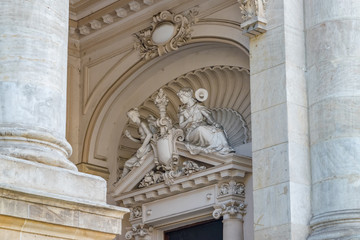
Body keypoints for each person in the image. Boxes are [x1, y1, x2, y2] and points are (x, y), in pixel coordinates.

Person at [177, 88, 234, 155]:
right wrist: (187, 121)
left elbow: (208, 116)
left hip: (203, 126)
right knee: (200, 129)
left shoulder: (199, 106)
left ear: (188, 96)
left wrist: (215, 124)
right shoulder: (183, 111)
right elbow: (181, 126)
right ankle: (214, 147)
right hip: (191, 133)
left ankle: (225, 148)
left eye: (182, 97)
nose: (181, 100)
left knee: (217, 129)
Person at [121, 108, 153, 179]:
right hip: (145, 147)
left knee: (128, 164)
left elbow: (149, 135)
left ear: (136, 114)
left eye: (132, 116)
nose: (132, 118)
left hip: (148, 147)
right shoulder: (139, 126)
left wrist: (142, 147)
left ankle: (122, 180)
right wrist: (130, 137)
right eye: (130, 117)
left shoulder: (142, 123)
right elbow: (141, 141)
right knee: (127, 164)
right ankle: (121, 181)